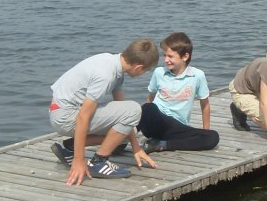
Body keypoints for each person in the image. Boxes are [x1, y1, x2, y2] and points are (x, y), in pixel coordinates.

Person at [49, 39, 159, 185]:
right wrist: (79, 160)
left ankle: (68, 147)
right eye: (146, 70)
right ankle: (98, 162)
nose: (144, 73)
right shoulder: (106, 75)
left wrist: (136, 147)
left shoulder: (114, 64)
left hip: (61, 112)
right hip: (66, 116)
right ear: (139, 67)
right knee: (134, 109)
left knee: (126, 131)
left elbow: (123, 112)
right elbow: (83, 116)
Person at [139, 32, 219, 152]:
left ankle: (163, 145)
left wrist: (205, 131)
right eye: (164, 55)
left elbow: (205, 104)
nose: (166, 60)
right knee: (148, 108)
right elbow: (150, 98)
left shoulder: (197, 75)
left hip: (177, 127)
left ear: (185, 57)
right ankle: (121, 140)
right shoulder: (159, 72)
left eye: (170, 56)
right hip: (156, 122)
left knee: (212, 137)